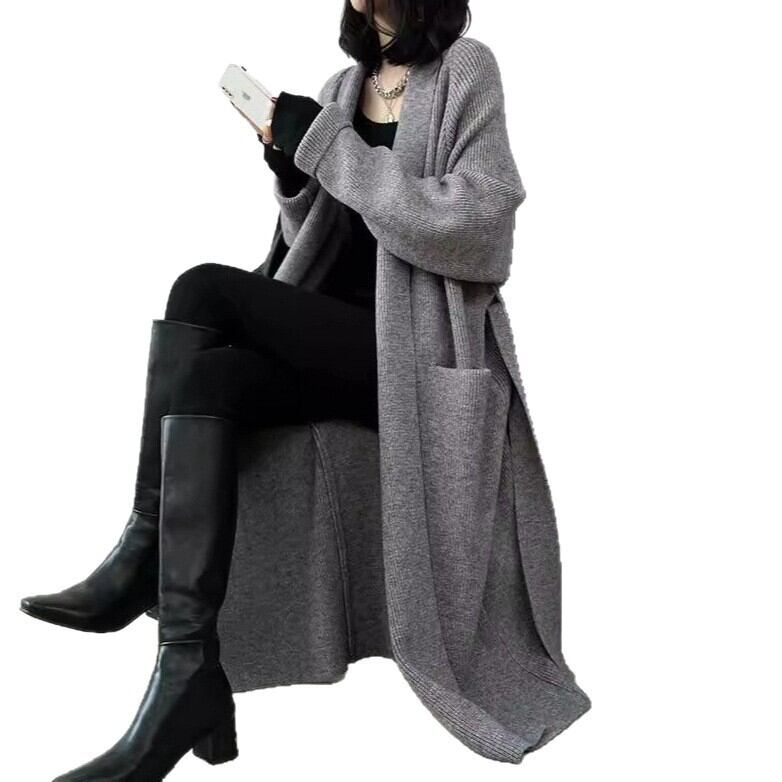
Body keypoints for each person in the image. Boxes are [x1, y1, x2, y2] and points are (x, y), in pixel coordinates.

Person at [20, 2, 480, 779]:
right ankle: (187, 673)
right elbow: (318, 241)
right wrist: (292, 173)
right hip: (333, 336)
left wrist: (327, 146)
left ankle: (141, 551)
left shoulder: (466, 73)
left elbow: (476, 228)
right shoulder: (345, 86)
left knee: (202, 288)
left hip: (411, 353)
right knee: (207, 378)